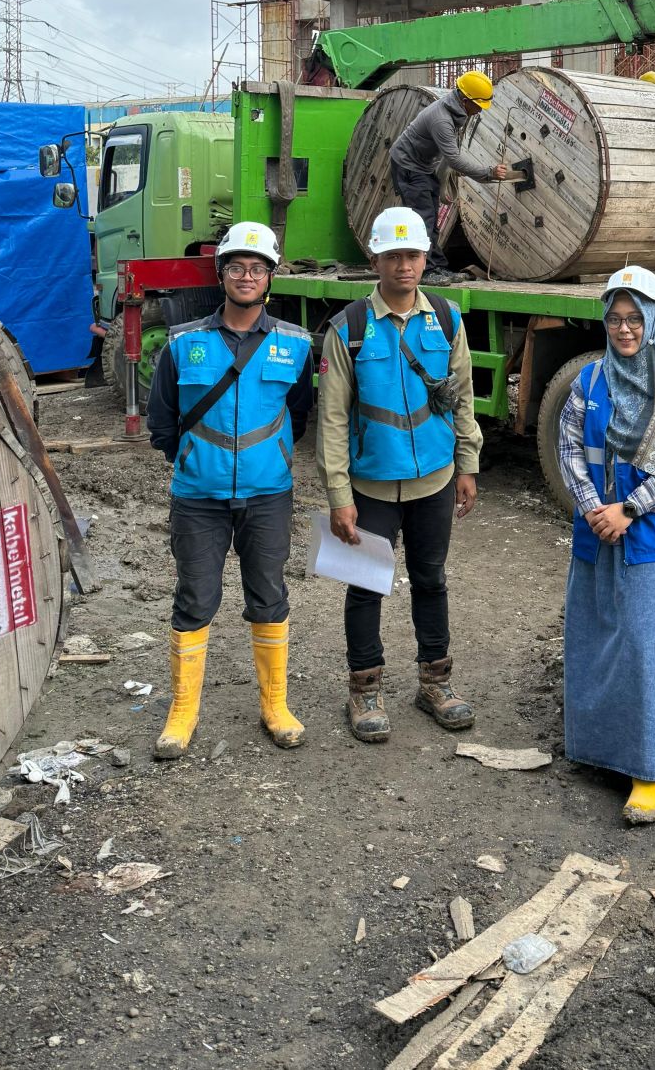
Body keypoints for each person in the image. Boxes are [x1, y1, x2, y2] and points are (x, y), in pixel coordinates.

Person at [146, 221, 313, 759]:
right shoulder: (183, 343)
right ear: (222, 275)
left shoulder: (295, 344)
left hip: (268, 494)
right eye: (237, 267)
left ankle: (274, 705)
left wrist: (272, 459)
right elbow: (163, 422)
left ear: (271, 278)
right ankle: (182, 712)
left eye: (257, 268)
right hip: (198, 497)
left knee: (269, 596)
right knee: (195, 598)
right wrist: (197, 462)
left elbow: (301, 414)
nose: (247, 276)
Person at [316, 206, 482, 742]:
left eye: (412, 255)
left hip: (434, 478)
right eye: (393, 256)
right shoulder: (349, 330)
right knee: (366, 586)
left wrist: (467, 464)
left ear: (425, 257)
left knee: (430, 580)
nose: (404, 266)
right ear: (376, 258)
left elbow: (462, 400)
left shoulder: (448, 318)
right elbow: (333, 420)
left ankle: (435, 681)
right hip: (370, 486)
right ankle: (364, 688)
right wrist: (339, 494)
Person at [557, 266, 655, 825]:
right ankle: (601, 748)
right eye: (616, 319)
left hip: (654, 536)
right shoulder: (588, 382)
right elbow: (570, 447)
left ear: (654, 321)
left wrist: (630, 509)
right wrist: (595, 508)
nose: (625, 330)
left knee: (651, 649)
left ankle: (653, 771)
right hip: (598, 530)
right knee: (595, 639)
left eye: (635, 319)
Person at [389, 72, 511, 281]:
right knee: (422, 220)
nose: (480, 110)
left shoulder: (455, 112)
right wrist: (488, 173)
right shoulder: (442, 120)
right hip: (408, 166)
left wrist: (441, 178)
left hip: (424, 167)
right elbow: (454, 159)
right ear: (465, 101)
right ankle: (425, 272)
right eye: (478, 105)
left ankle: (437, 266)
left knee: (431, 220)